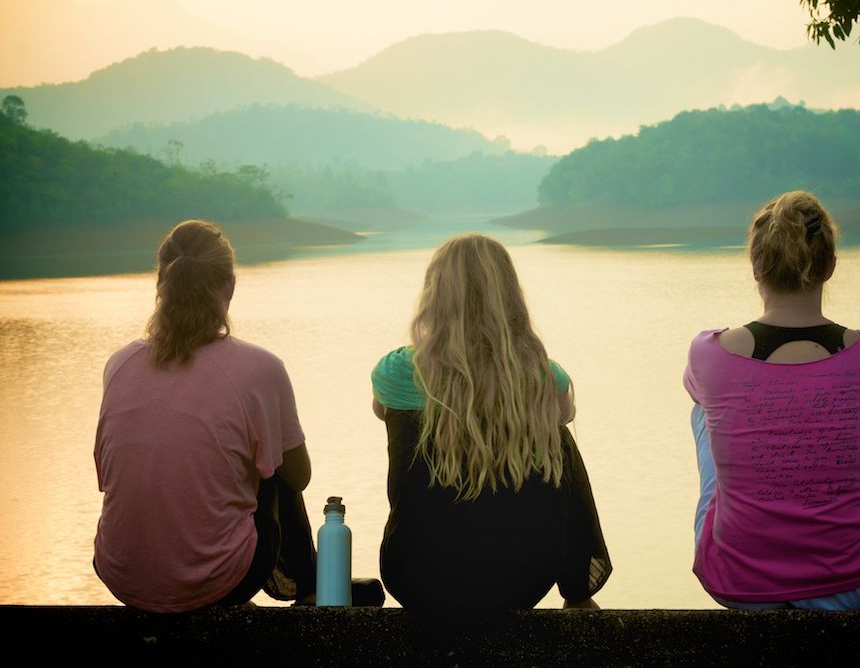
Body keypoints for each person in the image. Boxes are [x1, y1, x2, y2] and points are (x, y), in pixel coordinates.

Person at [684, 191, 860, 610]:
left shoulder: (709, 351)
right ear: (830, 266)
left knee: (705, 406)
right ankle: (851, 533)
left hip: (737, 581)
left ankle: (750, 530)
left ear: (756, 267)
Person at [371, 234, 611, 610]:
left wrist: (454, 409)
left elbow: (382, 410)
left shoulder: (397, 370)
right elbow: (565, 414)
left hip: (416, 576)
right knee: (557, 437)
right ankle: (577, 593)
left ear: (434, 297)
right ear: (510, 297)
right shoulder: (542, 376)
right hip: (520, 578)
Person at [93, 219, 316, 612]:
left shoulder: (120, 364)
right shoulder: (259, 368)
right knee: (276, 466)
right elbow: (299, 477)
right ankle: (309, 589)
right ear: (229, 286)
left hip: (120, 574)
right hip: (224, 581)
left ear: (160, 285)